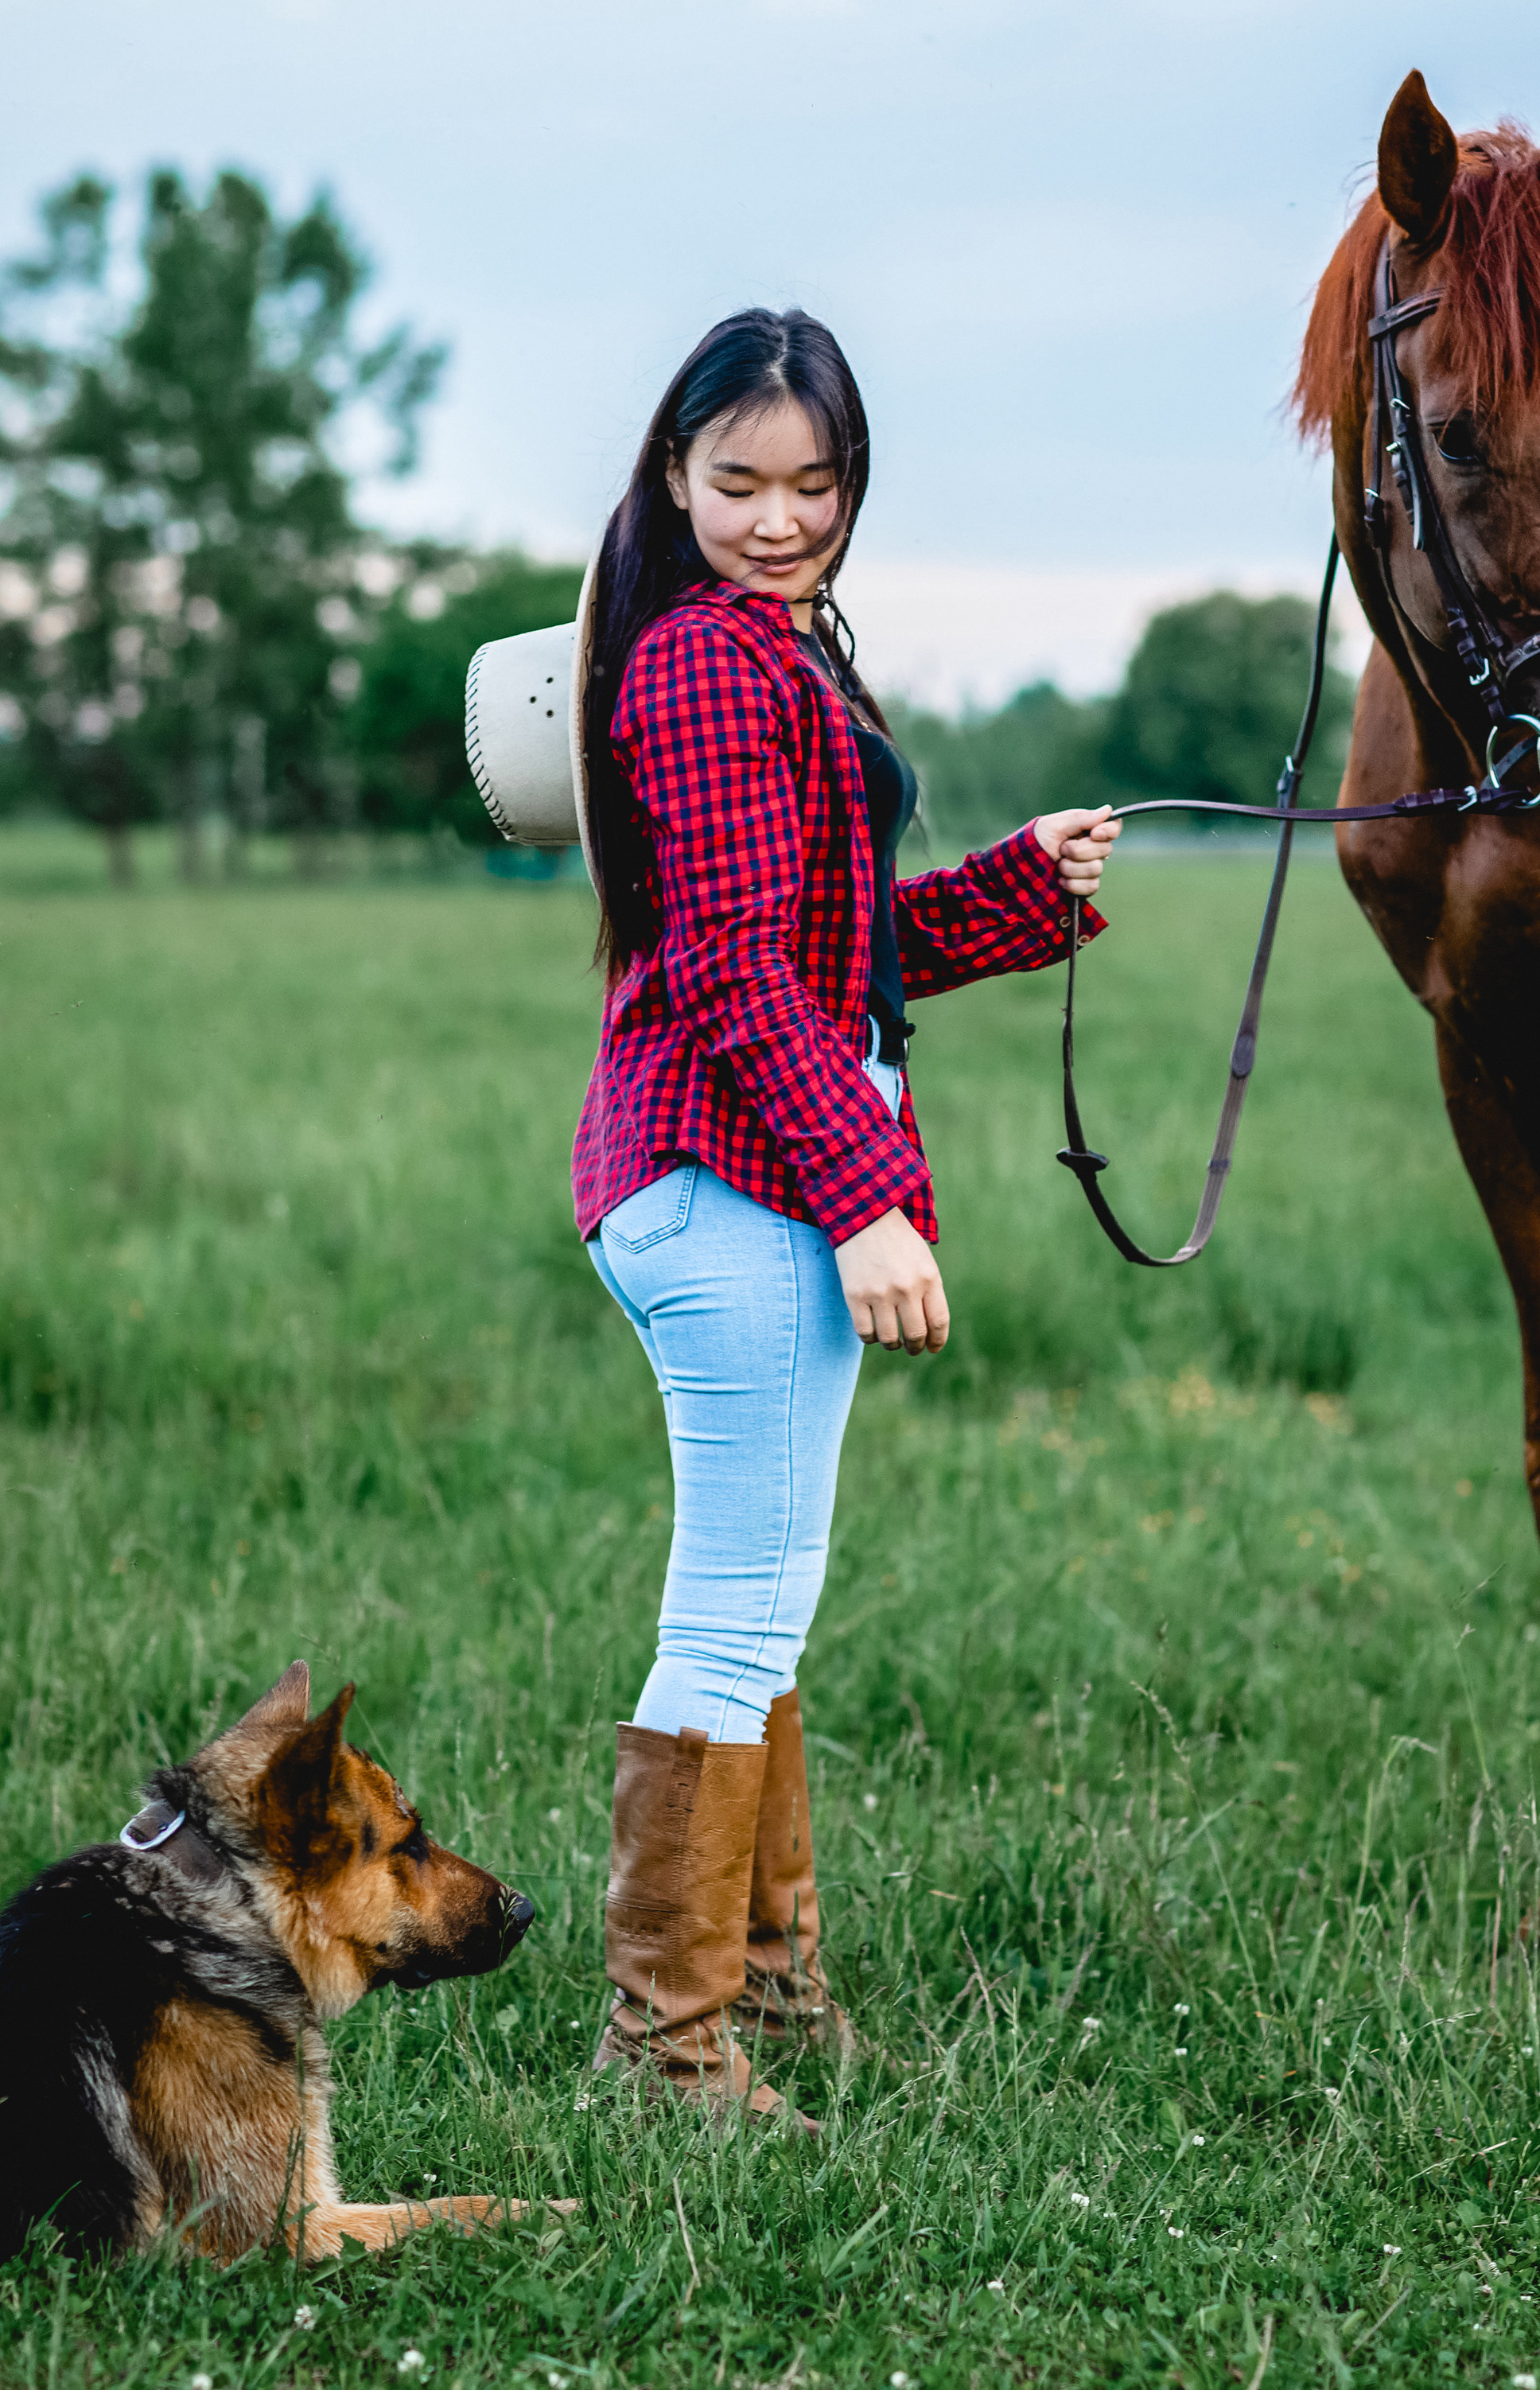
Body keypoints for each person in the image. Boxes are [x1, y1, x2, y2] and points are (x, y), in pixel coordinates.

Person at [573, 309, 1119, 2122]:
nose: (779, 518)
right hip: (722, 1175)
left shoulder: (790, 655)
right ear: (673, 476)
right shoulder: (711, 666)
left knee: (769, 1600)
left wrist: (1015, 893)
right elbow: (733, 974)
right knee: (733, 1603)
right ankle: (665, 2049)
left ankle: (772, 2002)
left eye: (815, 484)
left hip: (758, 1167)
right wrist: (873, 1198)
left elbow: (834, 949)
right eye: (736, 482)